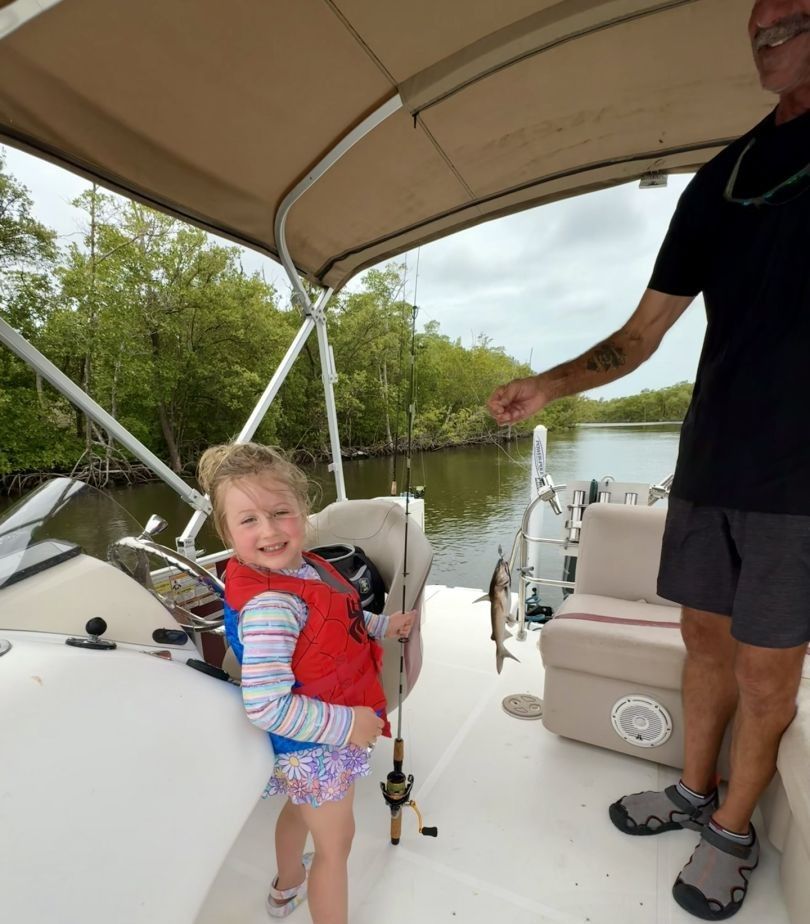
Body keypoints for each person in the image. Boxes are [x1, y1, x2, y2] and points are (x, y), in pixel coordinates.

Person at [488, 1, 810, 918]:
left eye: (792, 12)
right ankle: (695, 791)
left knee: (766, 671)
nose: (766, 25)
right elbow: (642, 335)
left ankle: (734, 830)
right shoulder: (721, 181)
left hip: (802, 487)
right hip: (711, 463)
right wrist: (546, 386)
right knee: (702, 642)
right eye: (758, 17)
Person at [197, 442, 415, 924]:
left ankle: (286, 886)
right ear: (226, 530)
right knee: (336, 847)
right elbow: (265, 706)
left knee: (298, 810)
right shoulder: (273, 606)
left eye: (281, 512)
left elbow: (340, 620)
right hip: (316, 742)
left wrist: (385, 625)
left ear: (304, 511)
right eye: (249, 520)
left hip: (322, 734)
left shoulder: (306, 567)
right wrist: (347, 724)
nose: (270, 530)